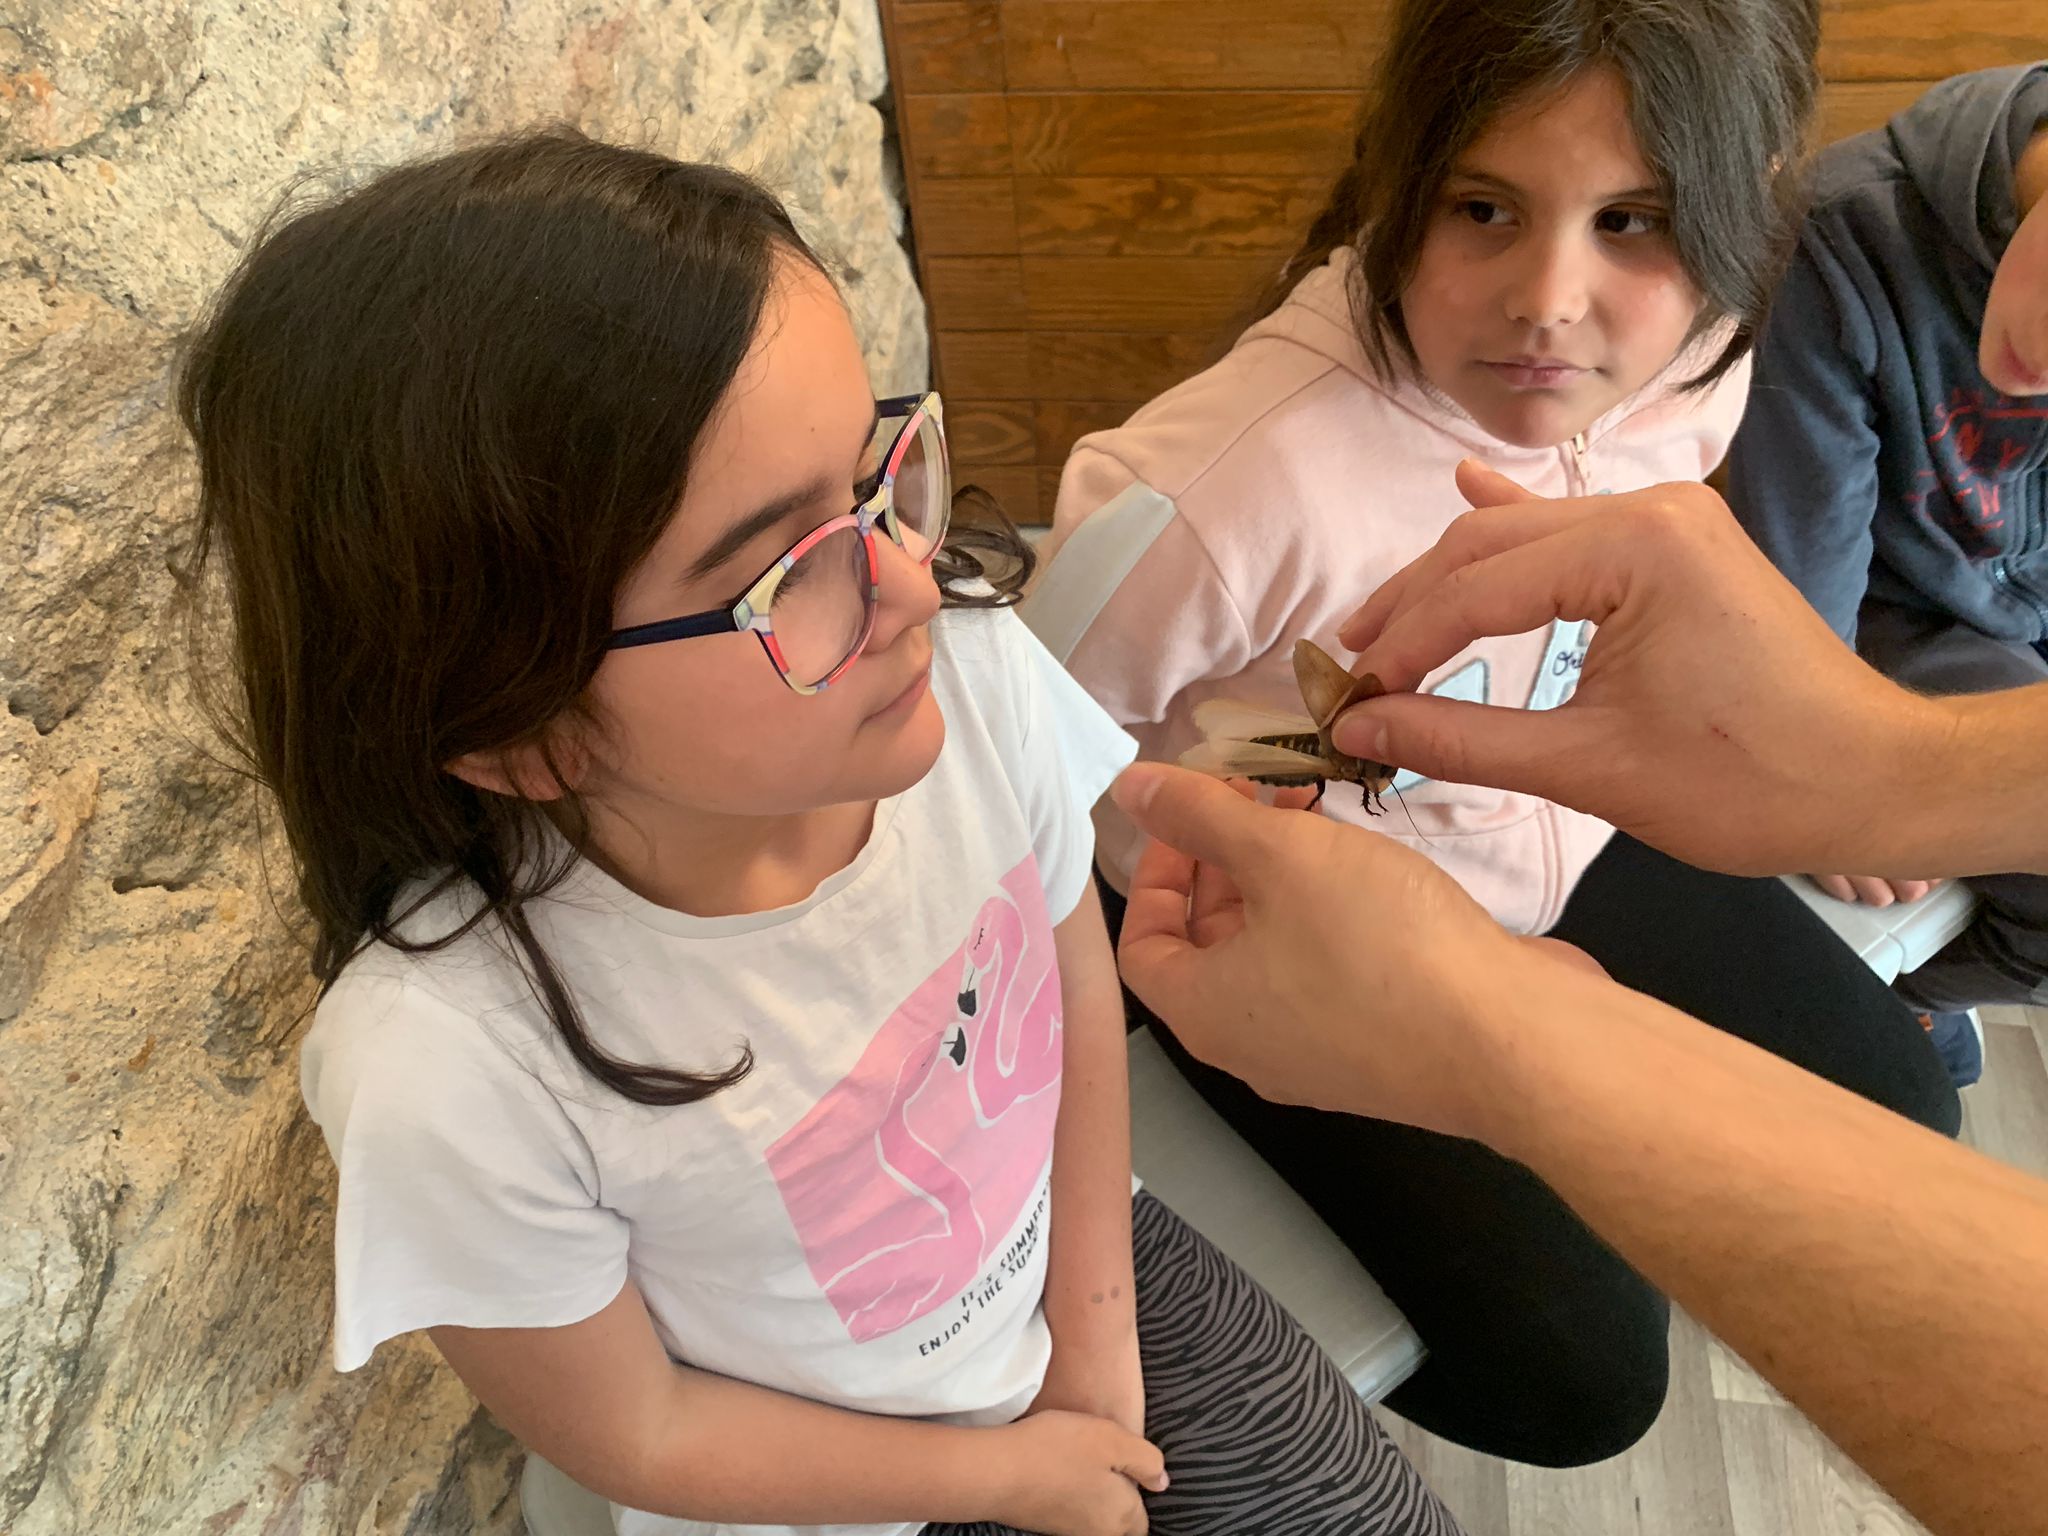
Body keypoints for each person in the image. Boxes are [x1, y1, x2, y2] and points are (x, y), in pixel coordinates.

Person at [175, 133, 1460, 1536]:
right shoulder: (450, 1066)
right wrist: (1006, 1477)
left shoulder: (966, 680)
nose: (913, 586)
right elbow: (639, 1430)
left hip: (1092, 1267)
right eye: (786, 571)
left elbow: (1072, 1003)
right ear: (524, 731)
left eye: (870, 482)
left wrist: (1094, 1361)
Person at [1022, 0, 1955, 1468]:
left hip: (1572, 834)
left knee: (1900, 1112)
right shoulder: (1229, 489)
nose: (1547, 302)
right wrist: (1334, 755)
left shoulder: (1699, 354)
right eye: (1483, 209)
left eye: (1633, 222)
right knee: (1581, 1383)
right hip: (1292, 918)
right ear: (1402, 176)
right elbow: (1037, 744)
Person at [1108, 473, 2048, 1536]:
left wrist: (1511, 1032)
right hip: (1255, 886)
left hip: (1509, 884)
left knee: (1901, 1106)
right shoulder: (1225, 510)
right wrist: (1891, 773)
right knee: (1585, 1371)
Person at [1723, 62, 2048, 1083]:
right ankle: (1897, 1013)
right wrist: (1839, 774)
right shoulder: (1840, 238)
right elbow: (1796, 595)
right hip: (1896, 614)